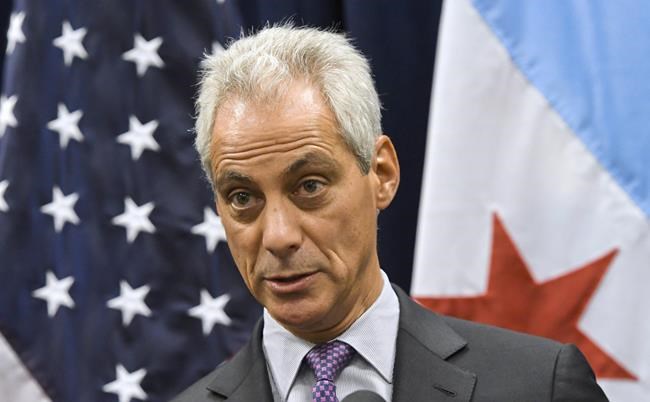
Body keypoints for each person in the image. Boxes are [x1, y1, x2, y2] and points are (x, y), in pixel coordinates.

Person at [172, 24, 608, 402]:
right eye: (242, 198)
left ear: (381, 174)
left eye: (310, 186)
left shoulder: (539, 386)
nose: (278, 236)